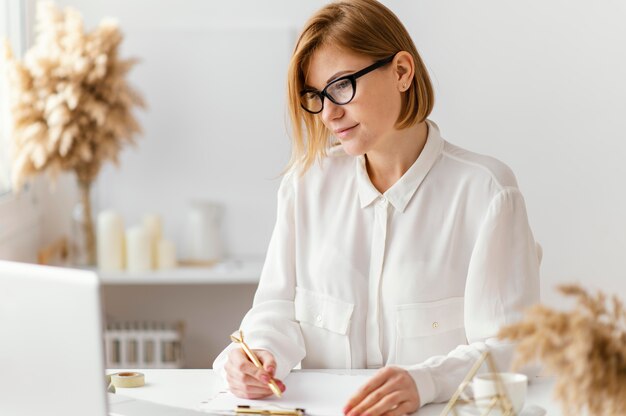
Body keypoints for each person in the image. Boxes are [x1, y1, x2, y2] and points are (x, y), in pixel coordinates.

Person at [213, 0, 540, 414]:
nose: (329, 113)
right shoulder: (305, 185)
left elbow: (514, 348)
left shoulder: (486, 192)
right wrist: (257, 353)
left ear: (402, 72)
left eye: (342, 85)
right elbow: (276, 309)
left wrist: (425, 382)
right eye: (315, 96)